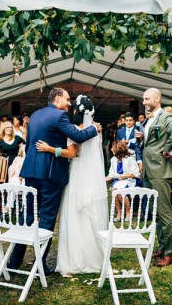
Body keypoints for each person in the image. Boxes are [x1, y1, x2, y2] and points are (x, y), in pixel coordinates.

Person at [8, 88, 101, 274]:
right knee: (47, 219)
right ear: (57, 98)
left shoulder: (35, 115)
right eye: (67, 99)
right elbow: (78, 136)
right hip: (50, 174)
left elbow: (28, 145)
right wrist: (94, 129)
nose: (69, 103)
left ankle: (14, 262)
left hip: (32, 170)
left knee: (27, 216)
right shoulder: (59, 116)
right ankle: (39, 264)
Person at [37, 95, 108, 275]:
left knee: (74, 214)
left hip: (76, 175)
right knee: (89, 214)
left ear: (77, 111)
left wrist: (50, 149)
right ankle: (92, 255)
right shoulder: (96, 128)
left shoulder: (75, 129)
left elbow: (72, 154)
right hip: (90, 178)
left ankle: (74, 257)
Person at [141, 88, 172, 267]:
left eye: (147, 99)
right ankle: (162, 246)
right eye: (143, 99)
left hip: (159, 170)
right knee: (155, 212)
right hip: (149, 170)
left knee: (165, 212)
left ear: (157, 99)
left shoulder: (165, 116)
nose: (144, 102)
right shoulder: (149, 119)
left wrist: (166, 148)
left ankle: (170, 253)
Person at [106, 141, 140, 222]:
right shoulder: (113, 160)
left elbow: (136, 174)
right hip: (118, 181)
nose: (111, 149)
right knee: (115, 192)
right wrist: (101, 180)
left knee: (121, 193)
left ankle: (128, 212)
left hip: (129, 180)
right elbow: (111, 174)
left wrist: (124, 176)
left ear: (118, 150)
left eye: (113, 148)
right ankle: (119, 212)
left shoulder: (130, 159)